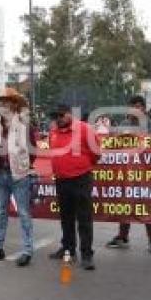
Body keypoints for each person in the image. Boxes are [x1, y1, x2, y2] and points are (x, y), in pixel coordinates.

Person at [0, 88, 38, 267]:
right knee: (0, 211)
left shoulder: (24, 124)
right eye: (0, 102)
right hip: (0, 173)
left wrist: (23, 166)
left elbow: (33, 149)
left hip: (19, 175)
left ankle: (27, 250)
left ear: (14, 104)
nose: (1, 105)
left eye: (5, 101)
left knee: (23, 213)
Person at [106, 95, 151, 254]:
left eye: (139, 106)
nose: (136, 110)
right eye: (133, 107)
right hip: (127, 172)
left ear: (144, 108)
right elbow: (115, 146)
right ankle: (122, 237)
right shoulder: (124, 125)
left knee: (147, 207)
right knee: (125, 205)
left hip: (146, 173)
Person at [48, 104, 101, 271]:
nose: (58, 119)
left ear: (70, 114)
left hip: (81, 179)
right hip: (62, 180)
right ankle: (68, 249)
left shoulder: (84, 129)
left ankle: (87, 254)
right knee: (66, 218)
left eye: (61, 115)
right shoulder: (54, 132)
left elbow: (96, 153)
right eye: (55, 116)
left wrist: (82, 166)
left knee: (84, 218)